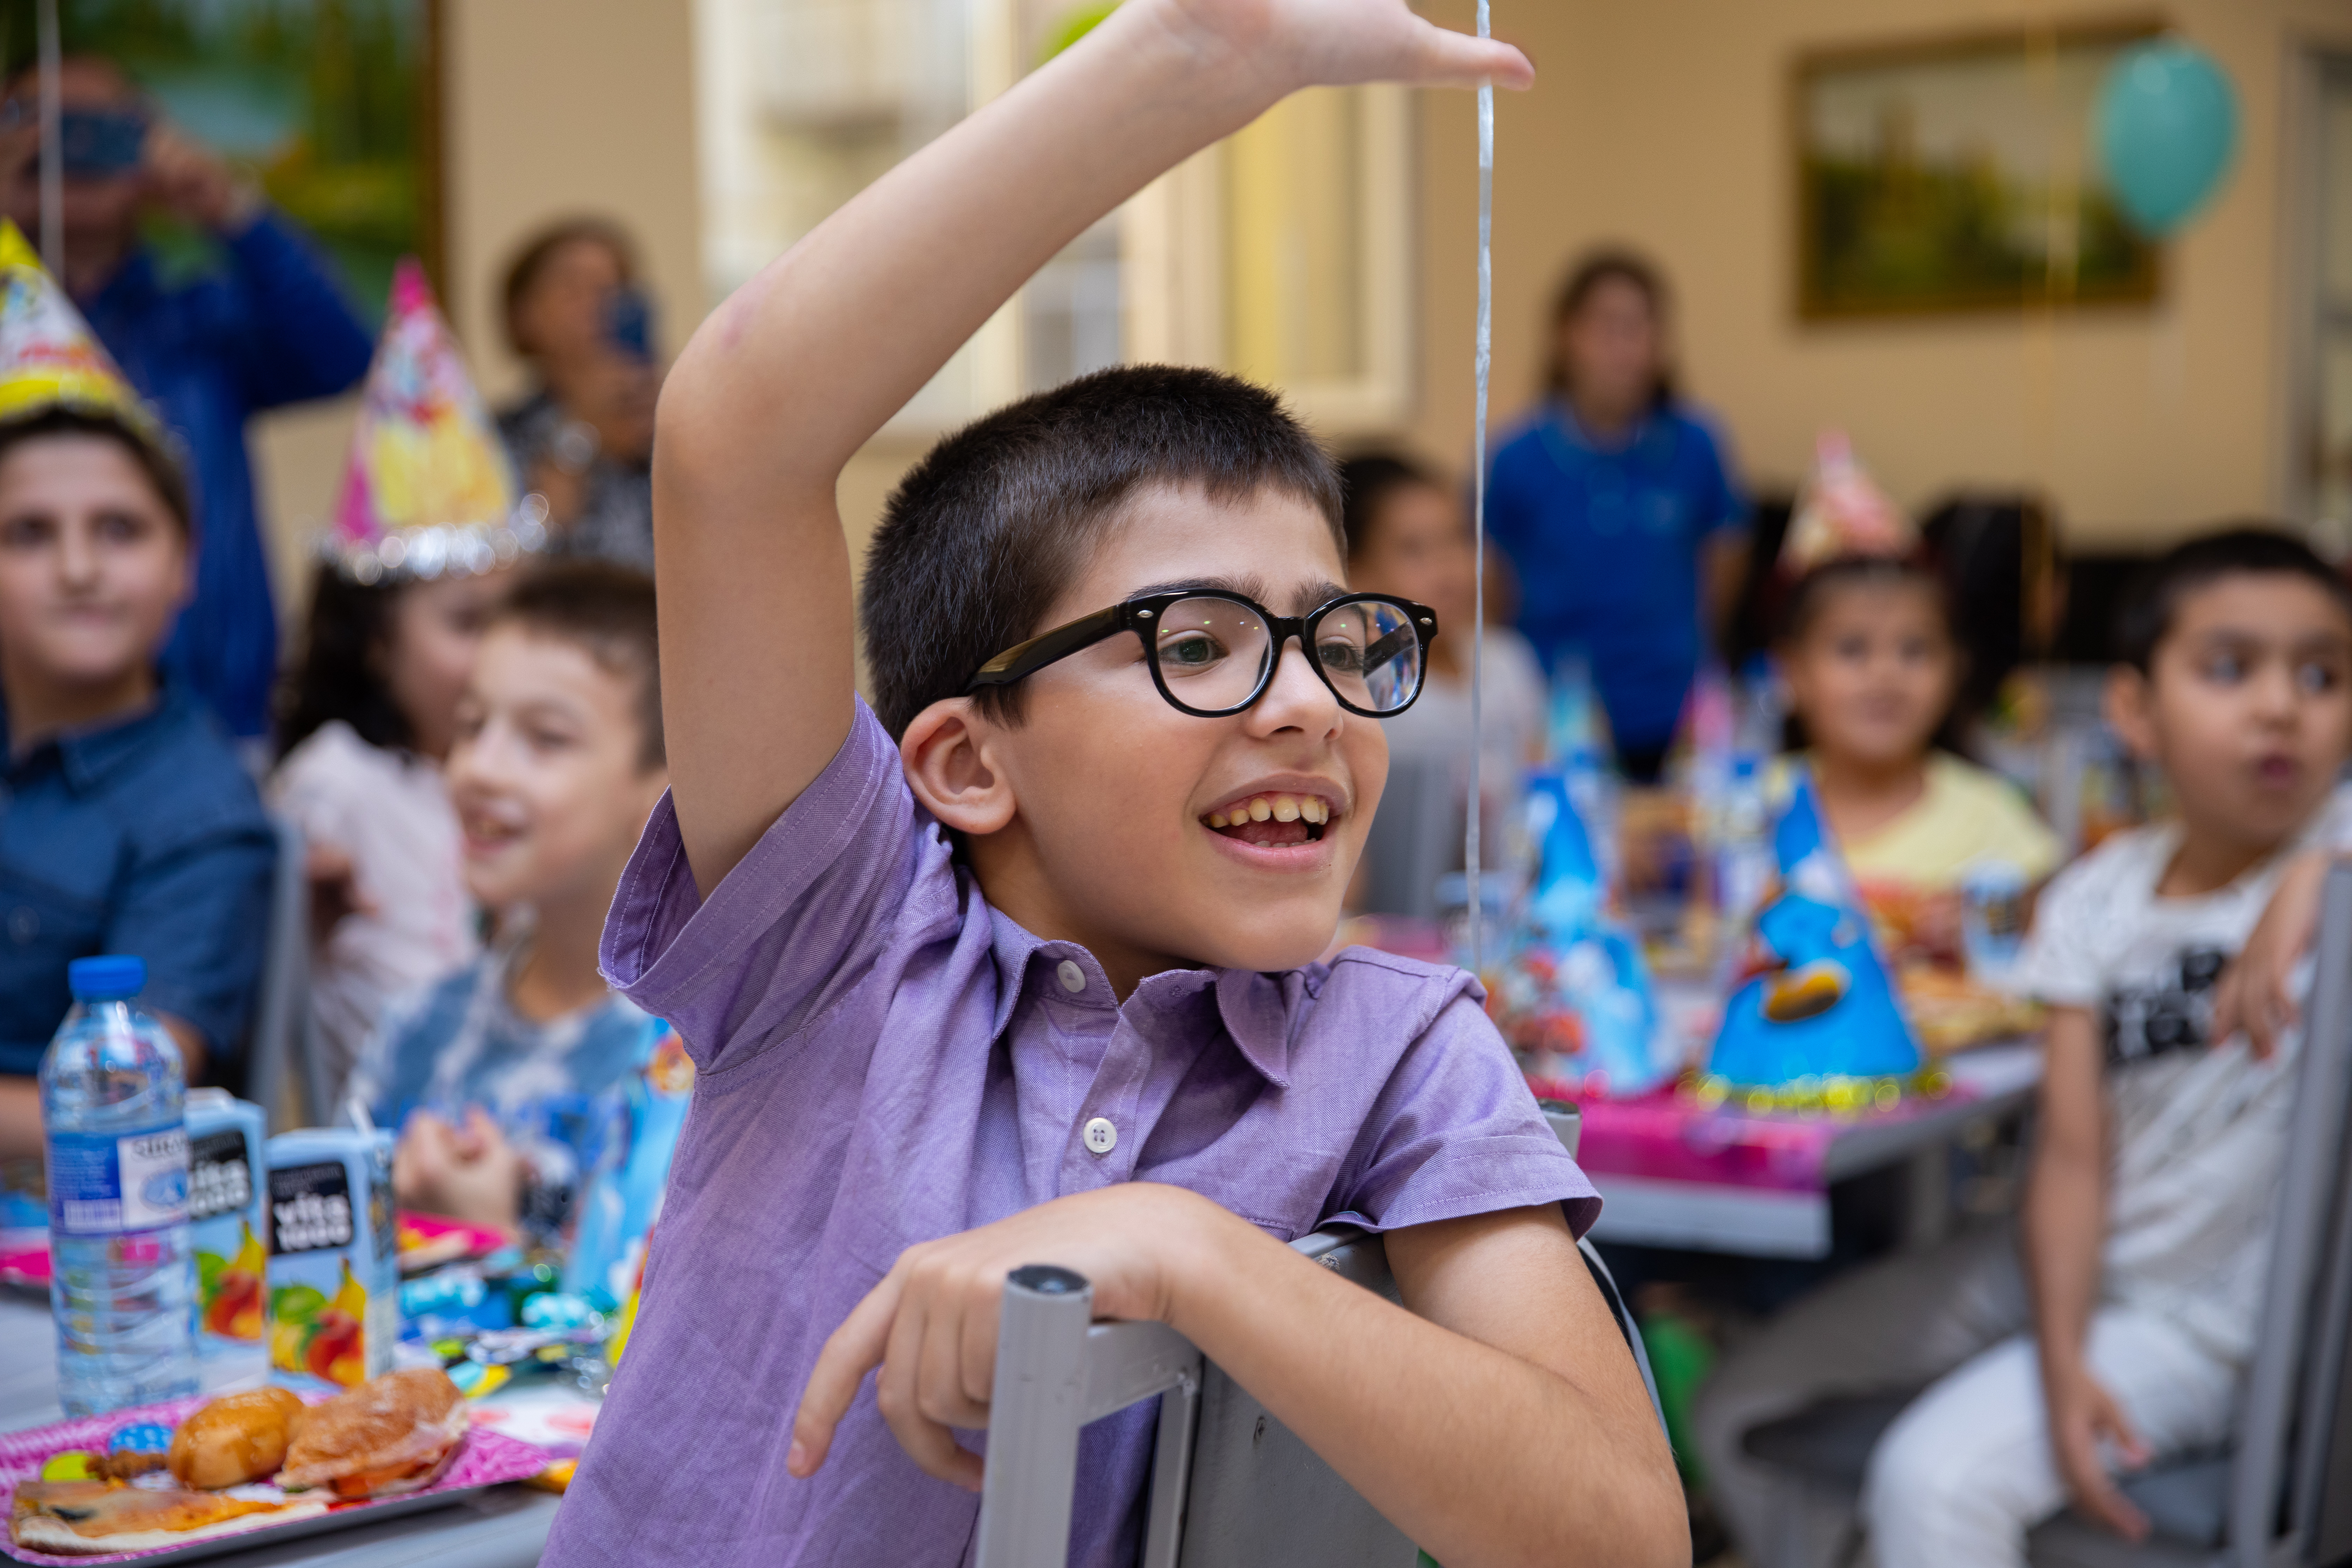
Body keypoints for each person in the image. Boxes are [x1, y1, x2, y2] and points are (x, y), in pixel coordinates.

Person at [546, 6, 1685, 1567]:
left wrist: (1186, 1248)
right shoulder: (838, 932)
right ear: (961, 761)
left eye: (1331, 635)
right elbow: (736, 433)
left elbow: (1617, 1532)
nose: (1305, 705)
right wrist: (1183, 63)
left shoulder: (1395, 1047)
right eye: (1196, 641)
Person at [1690, 528, 2352, 1568]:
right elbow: (2069, 1157)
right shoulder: (2094, 894)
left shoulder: (2331, 880)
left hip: (2211, 1321)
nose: (2279, 703)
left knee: (1931, 1479)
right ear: (2132, 710)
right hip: (2058, 1263)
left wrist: (2326, 866)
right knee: (1736, 1402)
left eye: (2319, 672)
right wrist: (2057, 1350)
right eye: (2229, 666)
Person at [0, 57, 373, 743]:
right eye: (38, 124)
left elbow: (342, 354)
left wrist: (228, 209)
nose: (72, 149)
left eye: (101, 129)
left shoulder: (202, 320)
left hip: (219, 725)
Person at [0, 230, 274, 1158]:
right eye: (30, 534)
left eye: (118, 530)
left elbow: (129, 1105)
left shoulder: (200, 815)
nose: (78, 568)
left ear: (184, 566)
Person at [348, 564, 666, 1243]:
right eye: (471, 724)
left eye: (546, 738)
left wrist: (494, 1239)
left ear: (661, 795)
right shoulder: (417, 1030)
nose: (479, 769)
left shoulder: (686, 1060)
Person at [1485, 249, 1749, 784]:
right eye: (1607, 327)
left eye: (1641, 328)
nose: (1624, 348)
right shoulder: (1515, 458)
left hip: (1677, 711)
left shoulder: (1697, 445)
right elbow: (1492, 589)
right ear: (1566, 336)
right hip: (1558, 716)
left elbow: (1724, 564)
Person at [272, 564, 502, 1109]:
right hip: (395, 1128)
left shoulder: (503, 778)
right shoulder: (334, 781)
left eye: (516, 619)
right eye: (468, 623)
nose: (501, 654)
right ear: (375, 641)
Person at [1776, 554, 2062, 964]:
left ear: (1957, 669)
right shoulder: (1750, 806)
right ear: (1793, 672)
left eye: (1915, 651)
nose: (1885, 674)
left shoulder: (1991, 814)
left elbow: (2048, 939)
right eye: (1852, 649)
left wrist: (1989, 928)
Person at [1340, 452, 1545, 770]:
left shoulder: (1507, 662)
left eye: (1458, 539)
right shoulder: (1362, 693)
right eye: (1414, 550)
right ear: (1355, 571)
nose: (1448, 571)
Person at [495, 219, 658, 571]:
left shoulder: (667, 420)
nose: (598, 307)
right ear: (523, 316)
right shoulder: (493, 439)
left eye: (612, 289)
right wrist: (583, 431)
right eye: (573, 288)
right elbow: (527, 550)